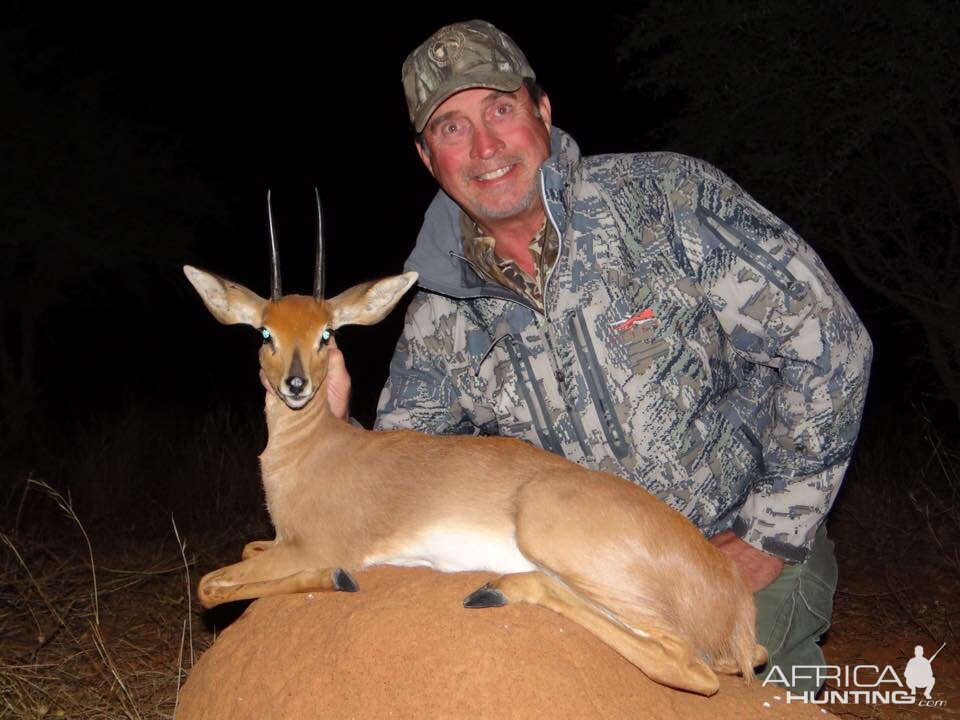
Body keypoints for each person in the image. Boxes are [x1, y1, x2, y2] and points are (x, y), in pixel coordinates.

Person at [328, 19, 872, 692]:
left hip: (731, 555)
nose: (485, 146)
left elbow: (829, 341)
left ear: (543, 113)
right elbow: (406, 487)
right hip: (581, 591)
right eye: (451, 126)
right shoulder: (439, 317)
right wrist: (329, 433)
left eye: (500, 109)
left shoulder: (667, 203)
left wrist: (771, 530)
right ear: (426, 157)